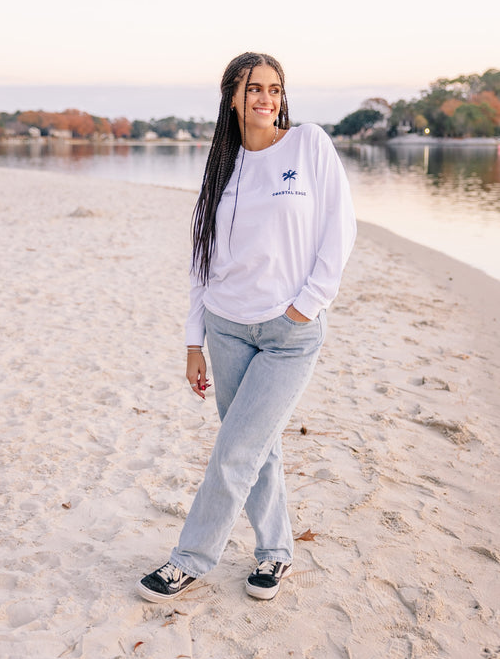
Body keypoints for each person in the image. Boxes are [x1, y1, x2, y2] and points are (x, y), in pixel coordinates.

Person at [136, 52, 356, 603]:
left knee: (237, 448)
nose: (266, 99)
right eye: (253, 89)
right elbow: (201, 264)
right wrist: (194, 341)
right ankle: (276, 552)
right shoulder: (221, 168)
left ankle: (189, 559)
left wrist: (309, 303)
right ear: (232, 97)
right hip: (227, 328)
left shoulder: (309, 145)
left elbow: (340, 227)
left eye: (275, 89)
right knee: (259, 446)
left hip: (290, 333)